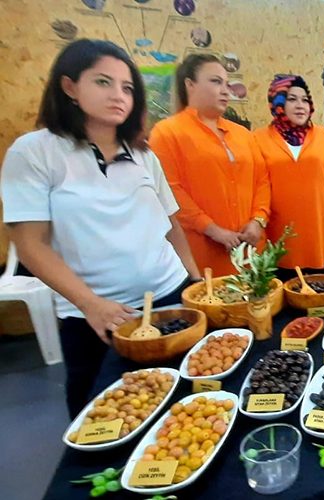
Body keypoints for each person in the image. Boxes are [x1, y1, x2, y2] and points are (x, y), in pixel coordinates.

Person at [0, 39, 200, 417]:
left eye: (127, 87)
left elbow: (171, 223)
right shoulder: (34, 152)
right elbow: (30, 245)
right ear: (69, 87)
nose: (118, 95)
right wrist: (91, 304)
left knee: (181, 408)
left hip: (169, 296)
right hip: (95, 316)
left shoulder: (143, 155)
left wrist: (194, 280)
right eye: (103, 82)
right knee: (103, 415)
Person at [149, 53, 271, 275]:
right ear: (190, 84)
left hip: (250, 252)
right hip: (201, 254)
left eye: (227, 84)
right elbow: (170, 191)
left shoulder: (243, 134)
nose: (225, 90)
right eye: (216, 81)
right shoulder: (167, 133)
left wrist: (258, 220)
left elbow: (262, 180)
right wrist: (212, 230)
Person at [253, 75, 324, 276]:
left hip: (322, 240)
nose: (300, 106)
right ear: (277, 103)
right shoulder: (257, 140)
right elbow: (256, 188)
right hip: (279, 243)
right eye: (291, 99)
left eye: (305, 100)